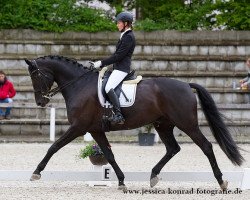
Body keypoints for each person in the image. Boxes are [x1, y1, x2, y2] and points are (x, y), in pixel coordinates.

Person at [91, 11, 136, 125]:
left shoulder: (129, 37)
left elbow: (118, 56)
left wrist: (101, 63)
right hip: (118, 67)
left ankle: (119, 115)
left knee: (108, 87)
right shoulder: (124, 35)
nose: (117, 25)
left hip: (122, 69)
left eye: (119, 23)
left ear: (126, 23)